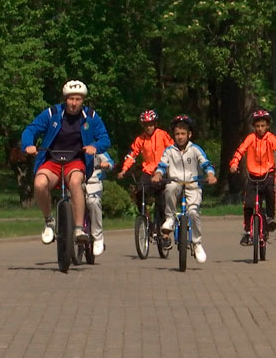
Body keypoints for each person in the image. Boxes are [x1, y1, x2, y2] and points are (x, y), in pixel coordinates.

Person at [22, 80, 111, 245]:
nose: (74, 103)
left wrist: (94, 146)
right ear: (65, 99)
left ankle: (78, 229)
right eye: (71, 99)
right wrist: (28, 144)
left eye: (78, 99)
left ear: (83, 100)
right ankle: (49, 221)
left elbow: (105, 138)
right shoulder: (52, 113)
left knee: (76, 181)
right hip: (52, 160)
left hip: (76, 160)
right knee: (40, 183)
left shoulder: (90, 116)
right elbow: (31, 129)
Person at [151, 115, 217, 263]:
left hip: (193, 184)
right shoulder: (169, 151)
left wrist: (211, 175)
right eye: (177, 134)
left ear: (189, 134)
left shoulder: (195, 149)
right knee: (169, 188)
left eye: (183, 134)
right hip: (176, 182)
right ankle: (170, 218)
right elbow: (162, 165)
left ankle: (197, 243)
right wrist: (157, 174)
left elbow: (206, 164)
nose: (180, 137)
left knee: (193, 212)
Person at [229, 109, 276, 246]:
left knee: (269, 193)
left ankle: (269, 218)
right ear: (254, 127)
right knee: (249, 205)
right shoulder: (251, 138)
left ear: (267, 126)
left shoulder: (271, 138)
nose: (260, 129)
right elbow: (240, 151)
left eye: (263, 126)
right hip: (252, 175)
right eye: (257, 126)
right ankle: (248, 231)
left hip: (267, 174)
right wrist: (234, 164)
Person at [118, 109, 174, 244]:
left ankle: (159, 225)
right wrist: (124, 169)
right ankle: (146, 221)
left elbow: (173, 149)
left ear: (155, 124)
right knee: (139, 192)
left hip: (162, 170)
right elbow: (132, 155)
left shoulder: (162, 135)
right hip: (148, 170)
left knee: (161, 199)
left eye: (151, 124)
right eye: (146, 124)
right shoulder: (140, 139)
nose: (149, 127)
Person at [84, 152, 115, 256]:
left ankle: (98, 237)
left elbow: (110, 162)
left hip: (94, 183)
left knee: (93, 202)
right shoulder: (72, 144)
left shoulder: (96, 148)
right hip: (76, 183)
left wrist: (106, 164)